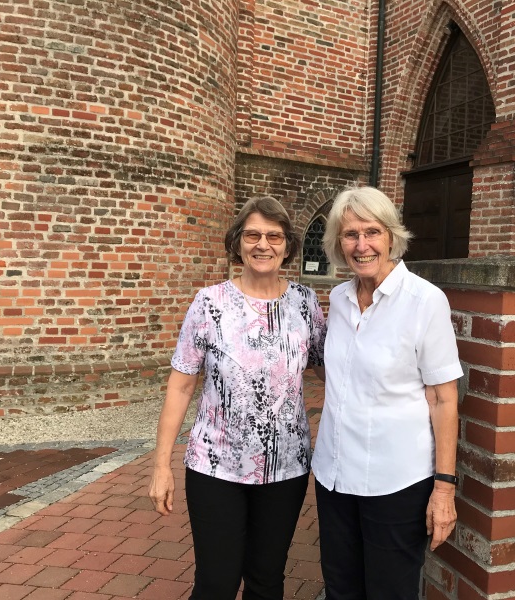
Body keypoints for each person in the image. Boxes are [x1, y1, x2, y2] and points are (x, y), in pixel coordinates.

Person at [148, 196, 326, 600]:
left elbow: (327, 368)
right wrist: (161, 465)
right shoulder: (209, 303)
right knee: (216, 582)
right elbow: (180, 384)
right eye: (253, 235)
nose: (263, 245)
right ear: (238, 242)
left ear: (288, 245)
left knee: (267, 580)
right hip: (216, 467)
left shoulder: (305, 303)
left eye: (274, 236)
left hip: (286, 469)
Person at [312, 185, 463, 599]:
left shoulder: (425, 301)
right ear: (338, 244)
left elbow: (444, 398)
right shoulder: (338, 299)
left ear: (391, 237)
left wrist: (444, 488)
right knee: (340, 589)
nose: (362, 245)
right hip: (333, 476)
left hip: (394, 483)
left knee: (389, 593)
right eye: (350, 235)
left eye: (372, 232)